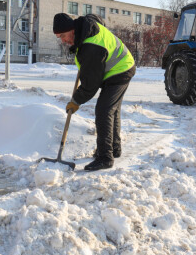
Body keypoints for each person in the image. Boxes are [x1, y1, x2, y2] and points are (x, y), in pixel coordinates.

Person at [53, 13, 135, 171]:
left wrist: (76, 101)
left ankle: (105, 157)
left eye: (63, 35)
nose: (62, 40)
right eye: (59, 37)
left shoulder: (91, 46)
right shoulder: (86, 29)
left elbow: (91, 84)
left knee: (104, 110)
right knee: (112, 109)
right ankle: (114, 148)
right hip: (119, 66)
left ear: (72, 29)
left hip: (121, 69)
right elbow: (96, 18)